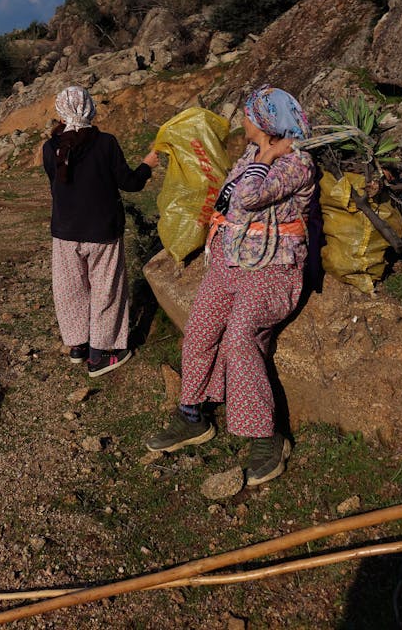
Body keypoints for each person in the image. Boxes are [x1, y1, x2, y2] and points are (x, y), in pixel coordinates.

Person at [146, 84, 315, 486]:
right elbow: (227, 201)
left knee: (239, 337)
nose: (242, 120)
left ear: (264, 121)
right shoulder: (250, 156)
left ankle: (265, 436)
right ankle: (192, 416)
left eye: (248, 114)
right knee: (200, 331)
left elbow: (248, 199)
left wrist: (269, 157)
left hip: (271, 267)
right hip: (228, 262)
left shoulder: (296, 163)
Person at [42, 86, 160, 378]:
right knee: (105, 290)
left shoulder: (50, 148)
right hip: (103, 230)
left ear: (61, 111)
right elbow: (130, 183)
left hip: (65, 232)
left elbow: (55, 187)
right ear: (90, 108)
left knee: (71, 290)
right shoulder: (106, 143)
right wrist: (147, 165)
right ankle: (101, 354)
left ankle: (78, 346)